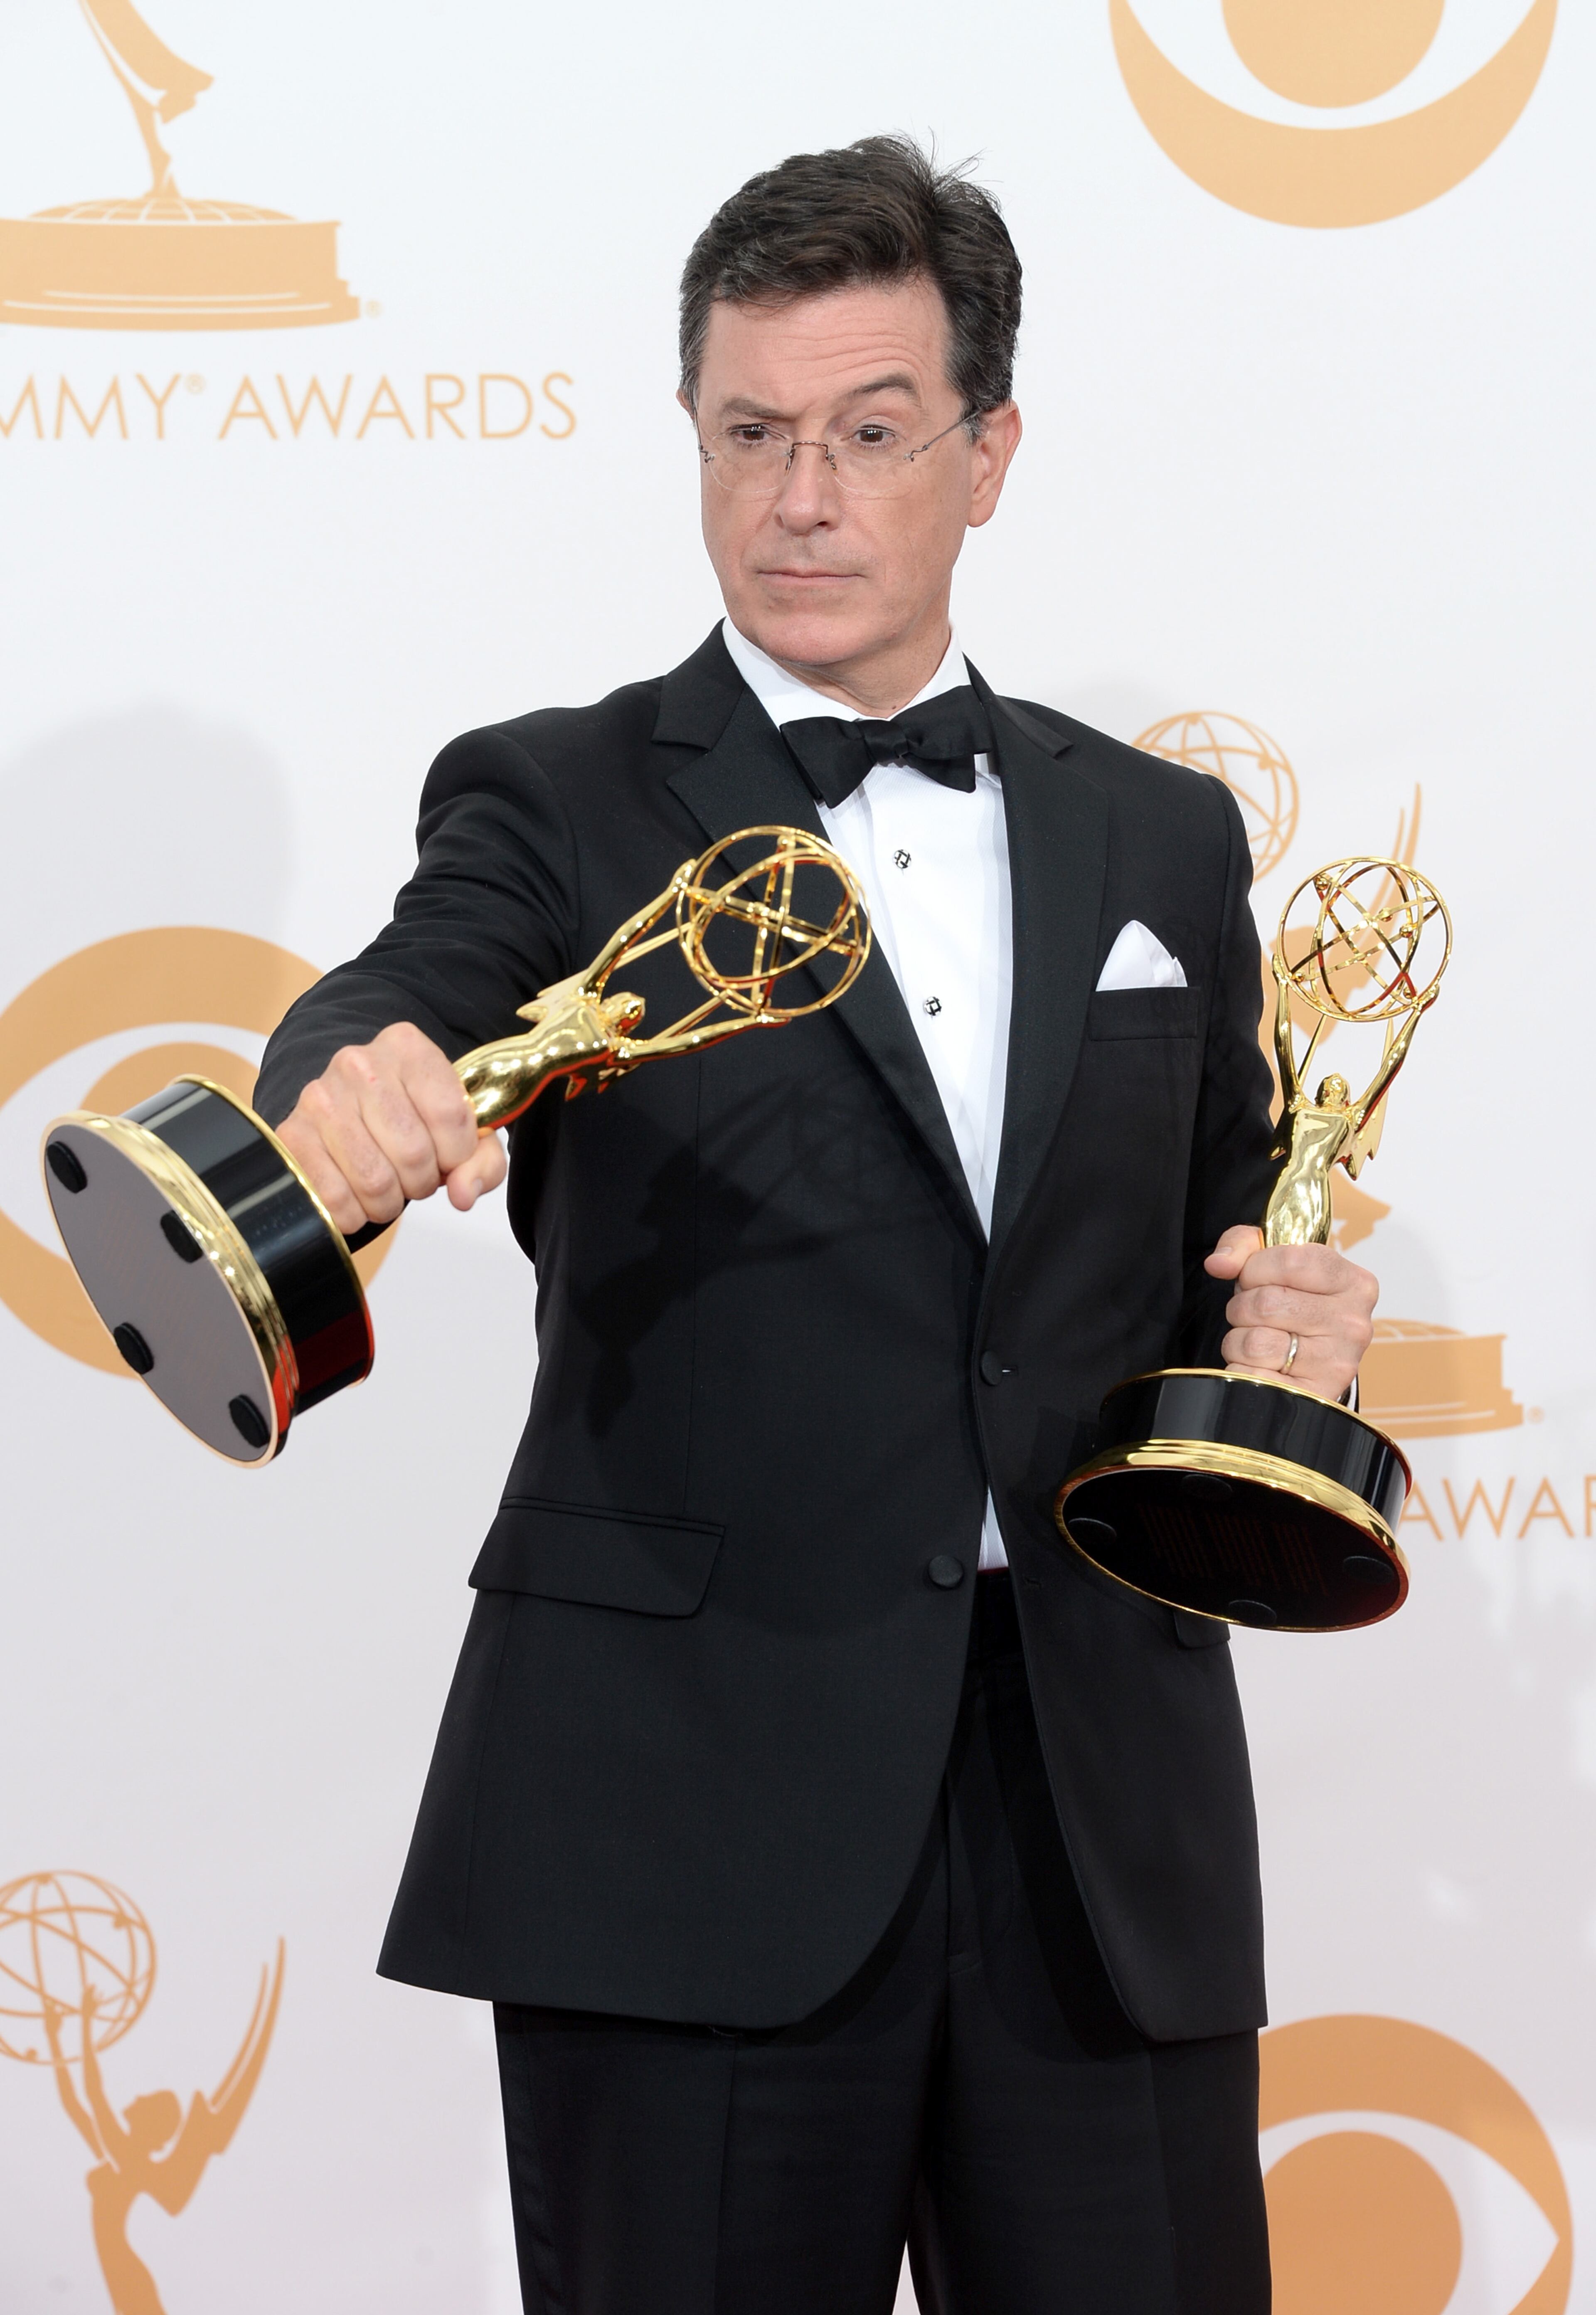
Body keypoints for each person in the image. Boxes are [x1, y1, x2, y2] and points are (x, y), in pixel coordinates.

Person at [255, 135, 1378, 2314]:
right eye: (752, 433)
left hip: (1093, 1818)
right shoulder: (559, 793)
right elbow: (406, 991)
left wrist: (1298, 1304)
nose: (802, 495)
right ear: (696, 437)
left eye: (870, 434)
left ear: (989, 451)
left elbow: (1228, 1200)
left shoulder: (1161, 832)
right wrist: (351, 1078)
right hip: (687, 1809)